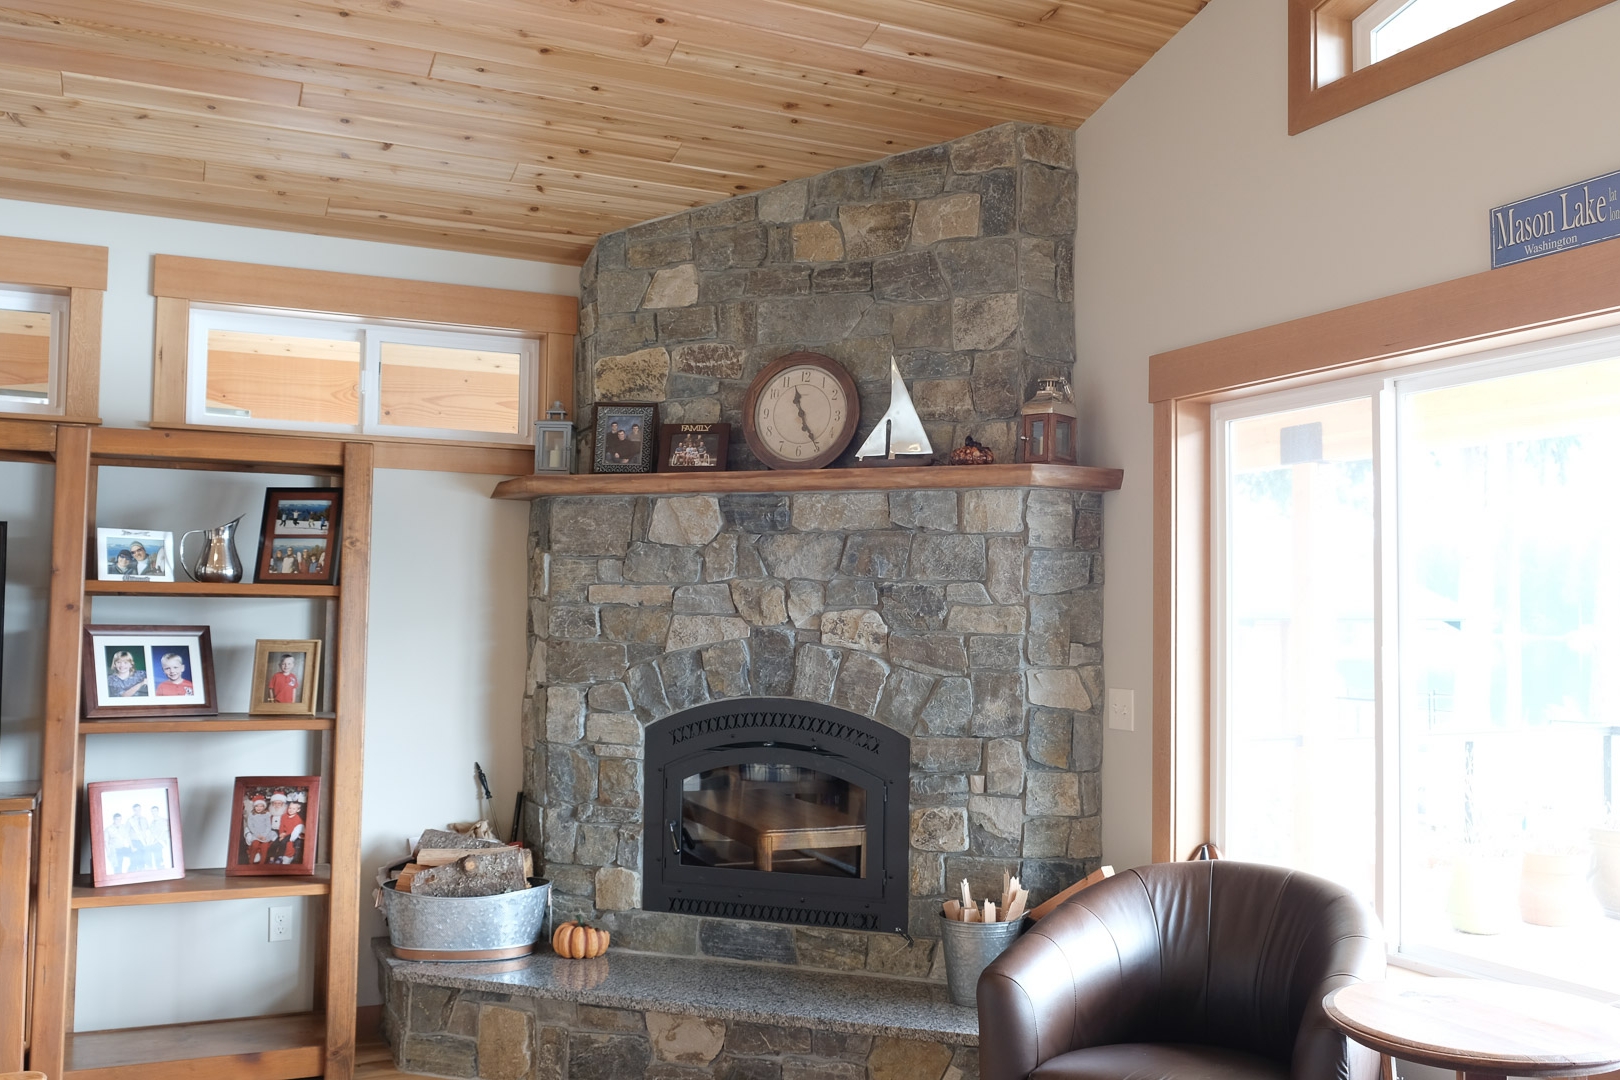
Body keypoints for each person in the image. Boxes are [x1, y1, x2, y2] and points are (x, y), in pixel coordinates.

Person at [242, 793, 276, 864]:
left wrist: (264, 835)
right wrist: (257, 835)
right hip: (256, 834)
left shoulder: (266, 814)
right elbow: (251, 826)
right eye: (257, 806)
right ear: (254, 807)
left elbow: (268, 826)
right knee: (254, 845)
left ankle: (262, 864)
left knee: (264, 848)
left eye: (261, 806)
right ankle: (250, 862)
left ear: (264, 807)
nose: (259, 808)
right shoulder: (252, 814)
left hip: (265, 835)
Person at [274, 791, 306, 865]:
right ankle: (277, 856)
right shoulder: (284, 816)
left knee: (288, 843)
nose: (291, 810)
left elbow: (295, 830)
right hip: (284, 833)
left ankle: (288, 856)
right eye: (290, 808)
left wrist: (285, 835)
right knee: (276, 842)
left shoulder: (298, 819)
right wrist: (281, 833)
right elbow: (281, 825)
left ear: (298, 810)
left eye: (294, 809)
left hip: (292, 834)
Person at [127, 803, 154, 870]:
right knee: (135, 861)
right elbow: (126, 834)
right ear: (133, 810)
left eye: (139, 809)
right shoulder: (130, 820)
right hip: (134, 842)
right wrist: (131, 846)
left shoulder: (144, 819)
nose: (138, 811)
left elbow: (148, 831)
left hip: (143, 842)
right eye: (136, 810)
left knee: (143, 860)